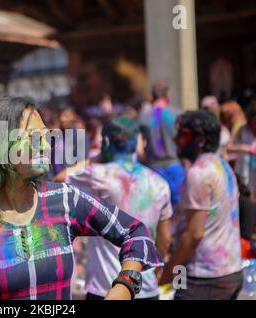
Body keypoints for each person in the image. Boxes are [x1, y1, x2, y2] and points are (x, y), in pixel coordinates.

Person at [0, 97, 163, 300]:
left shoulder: (65, 200)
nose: (45, 145)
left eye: (46, 136)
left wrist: (125, 285)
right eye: (33, 136)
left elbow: (135, 232)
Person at [60, 116, 172, 300]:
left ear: (105, 142)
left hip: (107, 289)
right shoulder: (159, 183)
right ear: (137, 142)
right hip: (145, 285)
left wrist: (96, 157)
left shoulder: (97, 174)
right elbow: (165, 239)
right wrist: (155, 269)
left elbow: (60, 178)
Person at [159, 110, 243, 300]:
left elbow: (194, 235)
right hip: (230, 271)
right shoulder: (222, 165)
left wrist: (167, 274)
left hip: (206, 278)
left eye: (182, 134)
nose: (175, 139)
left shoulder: (200, 173)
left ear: (200, 140)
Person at [138, 81, 185, 209]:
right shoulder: (177, 115)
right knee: (179, 209)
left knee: (158, 209)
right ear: (167, 96)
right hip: (175, 167)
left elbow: (139, 149)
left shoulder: (143, 117)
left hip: (154, 169)